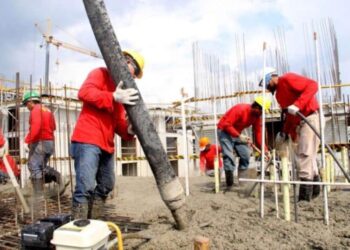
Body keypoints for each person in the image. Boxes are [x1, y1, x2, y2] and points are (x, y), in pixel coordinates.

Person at [70, 50, 144, 219]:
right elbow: (84, 93)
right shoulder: (100, 73)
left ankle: (93, 219)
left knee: (107, 184)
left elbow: (118, 123)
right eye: (133, 70)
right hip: (87, 139)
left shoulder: (121, 93)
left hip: (106, 144)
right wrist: (112, 96)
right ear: (125, 62)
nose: (132, 76)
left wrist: (129, 131)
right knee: (86, 186)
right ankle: (79, 225)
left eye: (135, 74)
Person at [263, 68, 321, 201]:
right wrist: (285, 132)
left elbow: (313, 85)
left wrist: (298, 104)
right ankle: (315, 189)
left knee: (305, 154)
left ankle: (305, 195)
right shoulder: (279, 95)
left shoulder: (287, 79)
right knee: (308, 156)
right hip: (300, 122)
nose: (266, 87)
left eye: (266, 83)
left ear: (271, 77)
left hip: (310, 117)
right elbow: (289, 115)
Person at [217, 96, 271, 191]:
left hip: (237, 134)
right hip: (224, 131)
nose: (262, 114)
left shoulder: (256, 117)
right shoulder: (240, 109)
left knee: (246, 154)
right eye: (262, 111)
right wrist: (239, 136)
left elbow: (258, 134)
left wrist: (265, 150)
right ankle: (229, 184)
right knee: (229, 156)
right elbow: (226, 124)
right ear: (257, 107)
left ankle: (242, 181)